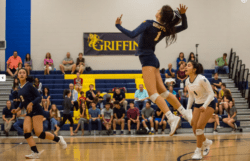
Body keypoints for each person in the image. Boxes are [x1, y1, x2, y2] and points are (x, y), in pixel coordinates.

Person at [115, 4, 192, 136]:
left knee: (153, 94)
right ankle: (185, 113)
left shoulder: (148, 23)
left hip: (147, 60)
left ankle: (171, 117)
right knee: (164, 93)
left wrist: (118, 25)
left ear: (160, 15)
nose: (156, 11)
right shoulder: (165, 28)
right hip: (153, 59)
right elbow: (184, 26)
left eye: (158, 10)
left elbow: (132, 34)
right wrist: (183, 14)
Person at [11, 68, 66, 159]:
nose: (21, 74)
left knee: (39, 133)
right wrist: (17, 109)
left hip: (37, 110)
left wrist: (31, 103)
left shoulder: (29, 85)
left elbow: (39, 97)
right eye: (20, 73)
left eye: (23, 73)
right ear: (17, 75)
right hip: (29, 112)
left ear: (26, 75)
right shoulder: (19, 88)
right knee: (26, 131)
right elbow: (23, 101)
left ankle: (58, 139)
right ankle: (35, 152)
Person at [185, 61, 215, 160]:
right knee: (194, 128)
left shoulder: (202, 79)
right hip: (197, 104)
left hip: (209, 103)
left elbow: (211, 94)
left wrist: (205, 105)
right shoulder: (187, 81)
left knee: (199, 128)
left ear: (194, 69)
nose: (185, 67)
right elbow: (191, 96)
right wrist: (187, 110)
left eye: (188, 65)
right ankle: (207, 142)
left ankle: (198, 151)